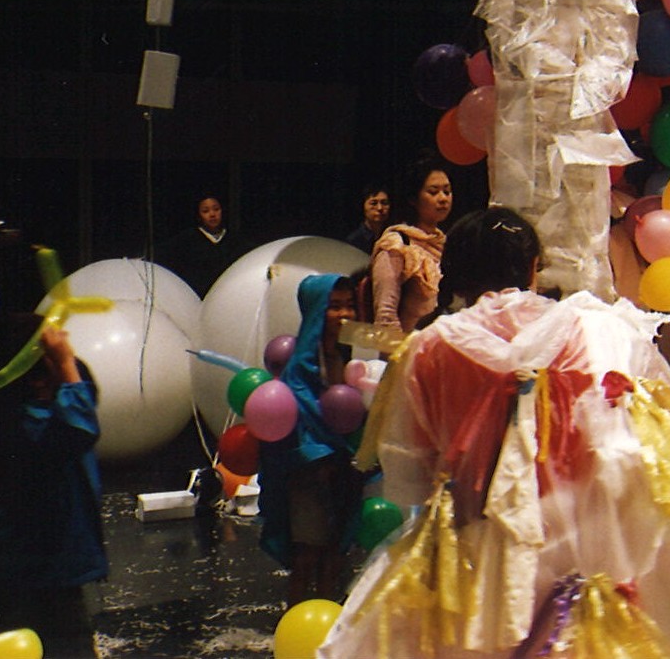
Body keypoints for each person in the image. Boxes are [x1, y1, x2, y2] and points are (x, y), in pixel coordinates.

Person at [324, 207, 670, 659]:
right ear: (533, 268)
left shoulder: (428, 348)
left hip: (469, 564)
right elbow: (635, 446)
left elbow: (409, 476)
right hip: (578, 556)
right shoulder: (596, 330)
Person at [0, 321, 108, 658]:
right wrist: (64, 362)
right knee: (64, 646)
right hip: (45, 572)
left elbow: (85, 397)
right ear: (37, 379)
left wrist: (60, 362)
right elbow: (80, 426)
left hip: (39, 568)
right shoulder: (31, 425)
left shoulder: (19, 415)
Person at [257, 274, 366, 606]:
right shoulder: (300, 368)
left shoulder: (347, 358)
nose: (344, 314)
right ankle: (296, 620)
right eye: (335, 306)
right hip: (309, 473)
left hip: (344, 468)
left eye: (349, 305)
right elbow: (302, 417)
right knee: (306, 553)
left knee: (335, 552)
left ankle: (329, 623)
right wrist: (320, 453)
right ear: (318, 310)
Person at [369, 159, 452, 335]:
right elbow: (386, 314)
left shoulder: (444, 242)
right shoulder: (396, 244)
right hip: (410, 343)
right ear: (413, 198)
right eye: (433, 192)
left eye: (447, 191)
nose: (443, 198)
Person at [156, 193, 247, 297]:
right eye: (205, 211)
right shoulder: (187, 240)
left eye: (216, 209)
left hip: (229, 295)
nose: (212, 214)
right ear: (199, 215)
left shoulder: (235, 240)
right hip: (197, 297)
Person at [342, 183, 390, 257]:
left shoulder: (393, 236)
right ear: (363, 206)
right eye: (373, 203)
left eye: (384, 203)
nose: (380, 208)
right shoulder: (354, 241)